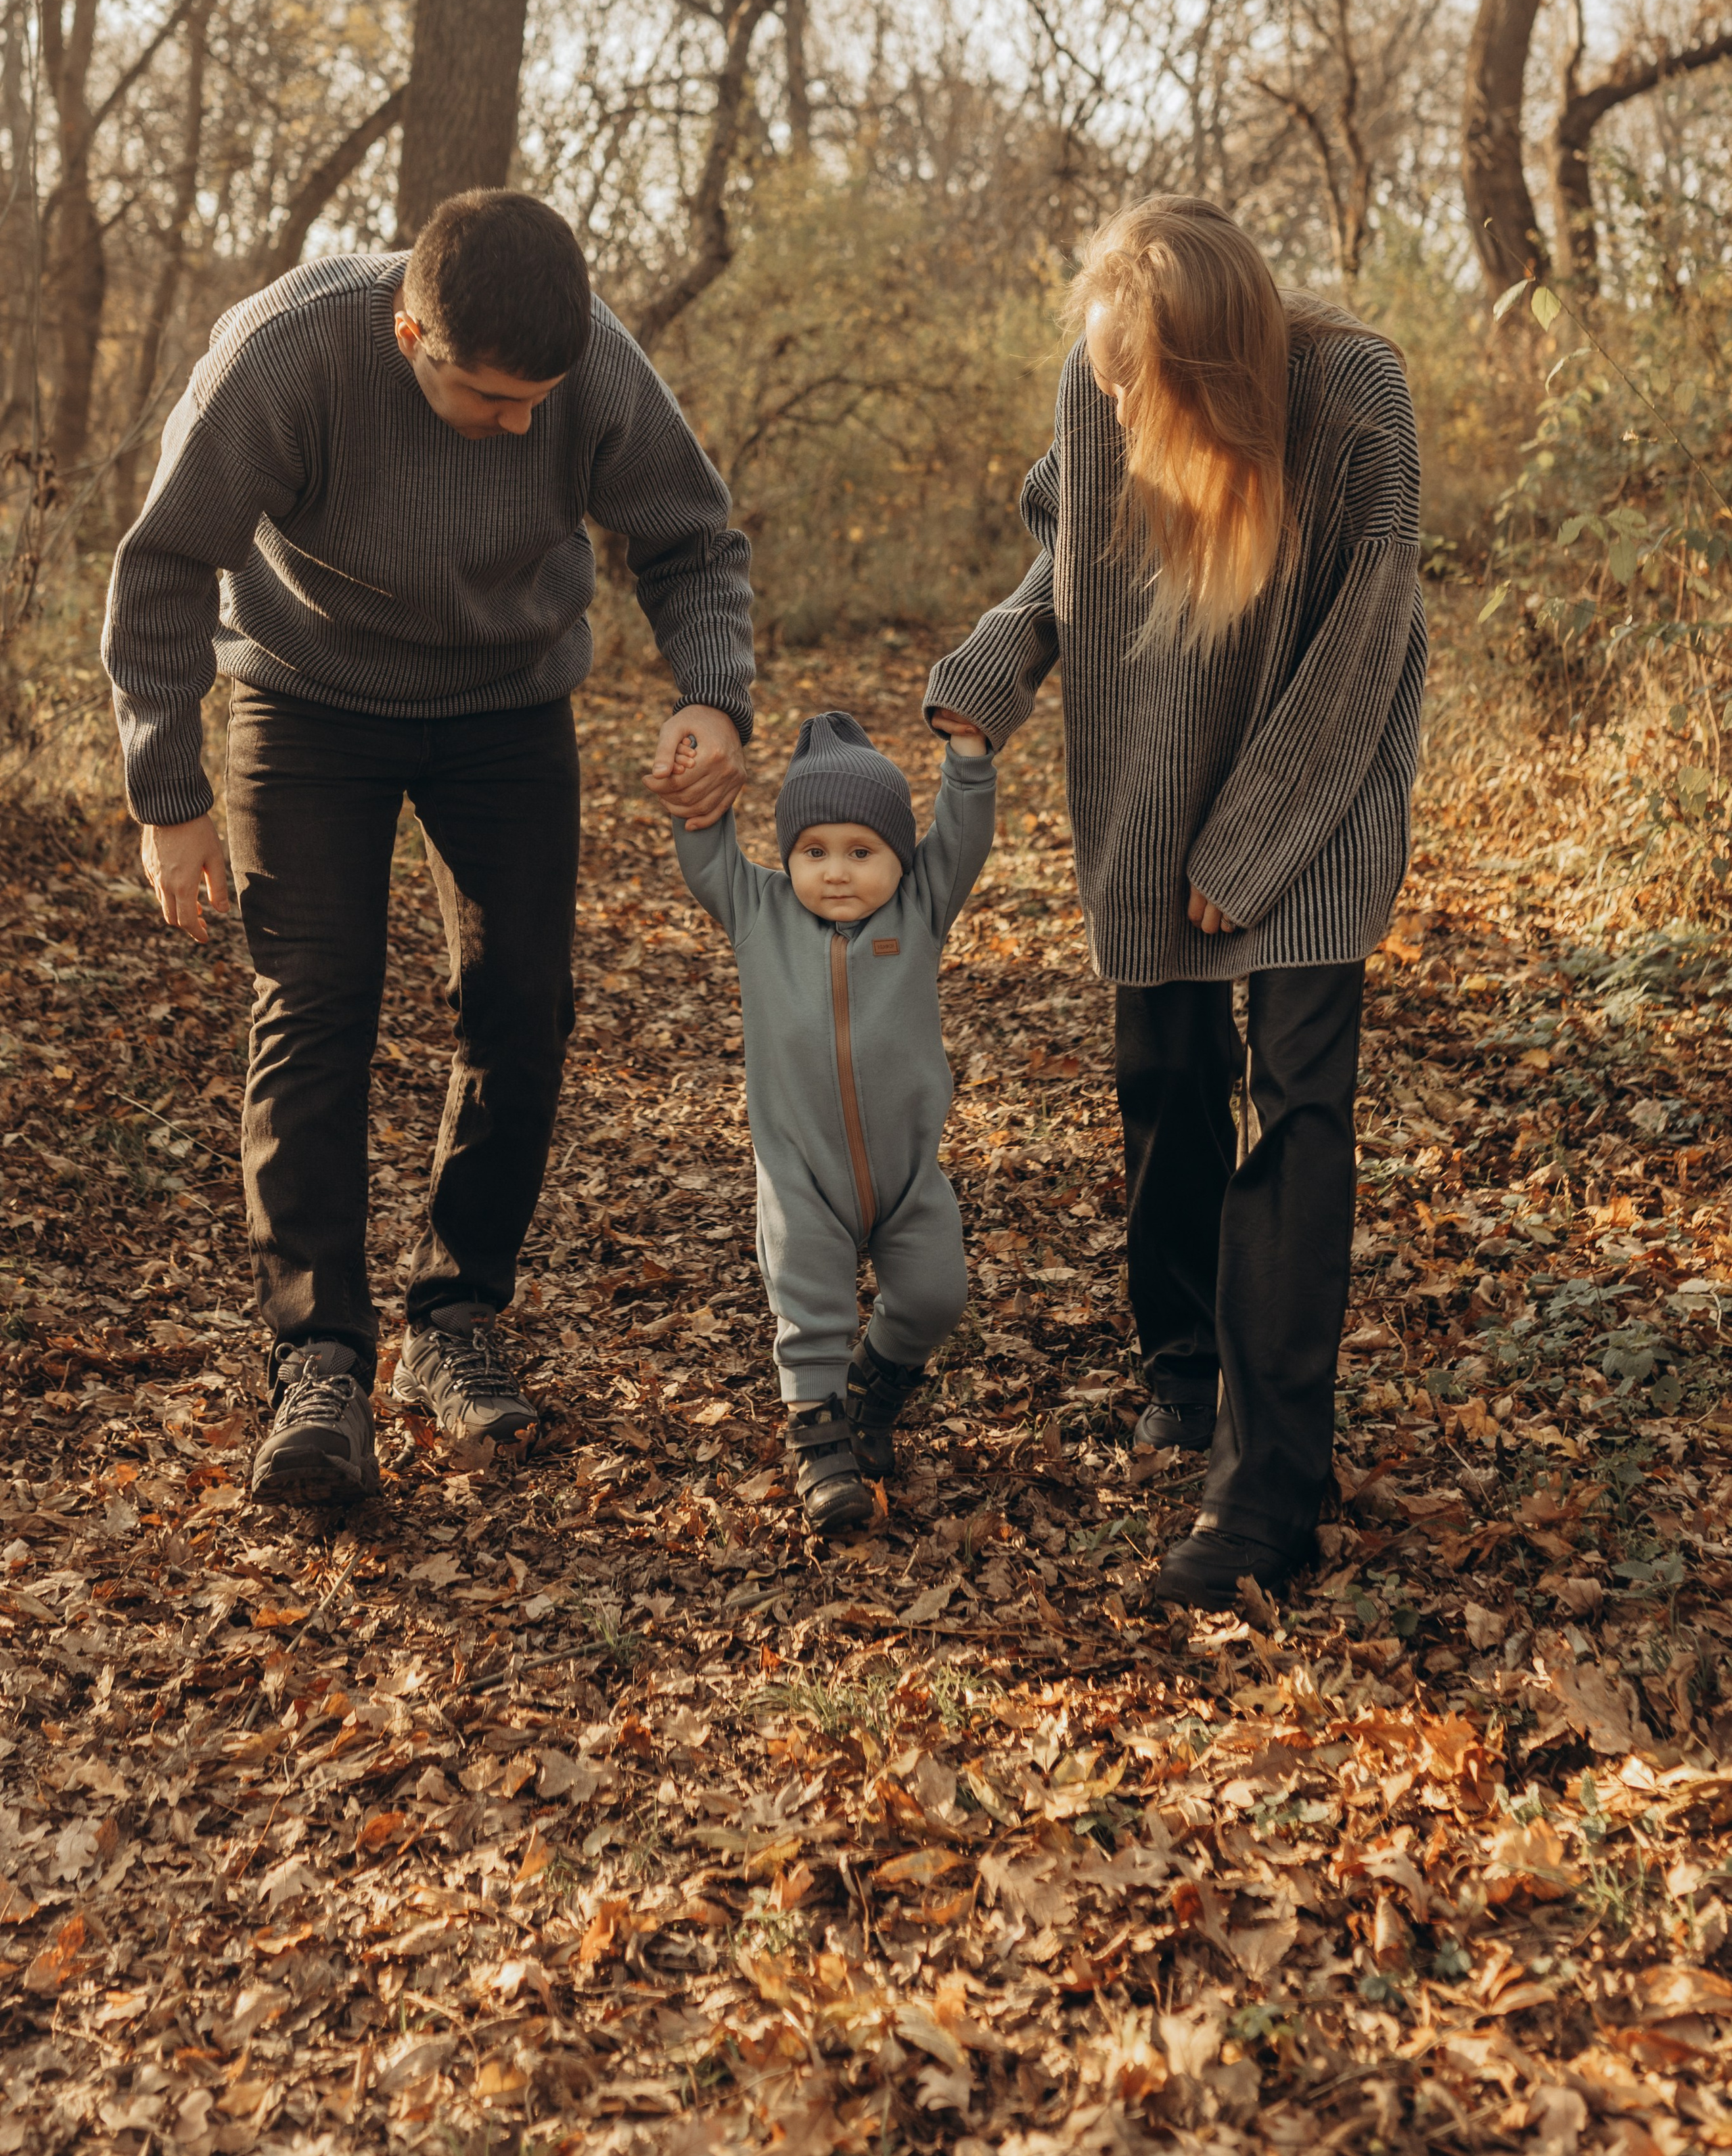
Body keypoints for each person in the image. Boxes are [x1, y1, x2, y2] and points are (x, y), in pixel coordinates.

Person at [101, 189, 754, 1508]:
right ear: (410, 335)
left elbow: (689, 538)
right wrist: (167, 794)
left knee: (521, 1002)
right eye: (492, 400)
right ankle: (319, 1362)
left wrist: (714, 695)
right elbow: (165, 565)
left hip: (505, 705)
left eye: (536, 403)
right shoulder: (290, 352)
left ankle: (453, 1321)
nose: (518, 427)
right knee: (315, 1002)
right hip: (305, 697)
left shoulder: (593, 364)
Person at [925, 194, 1426, 1607]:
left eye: (1132, 384)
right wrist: (995, 667)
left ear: (1207, 370)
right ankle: (1183, 1363)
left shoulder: (1354, 397)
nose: (1111, 405)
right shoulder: (1100, 381)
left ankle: (1267, 1499)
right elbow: (1069, 545)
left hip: (1317, 769)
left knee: (1297, 1108)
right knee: (1164, 1068)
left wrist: (1252, 840)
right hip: (1155, 752)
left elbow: (1367, 630)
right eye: (1100, 379)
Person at [670, 711, 997, 1532]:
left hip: (906, 1177)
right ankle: (820, 1445)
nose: (837, 872)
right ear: (787, 856)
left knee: (935, 1297)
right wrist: (698, 784)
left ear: (900, 857)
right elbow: (706, 856)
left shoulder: (918, 909)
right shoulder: (759, 911)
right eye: (813, 851)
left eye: (861, 851)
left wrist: (967, 754)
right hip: (802, 1175)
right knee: (813, 1311)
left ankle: (873, 1386)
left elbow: (962, 838)